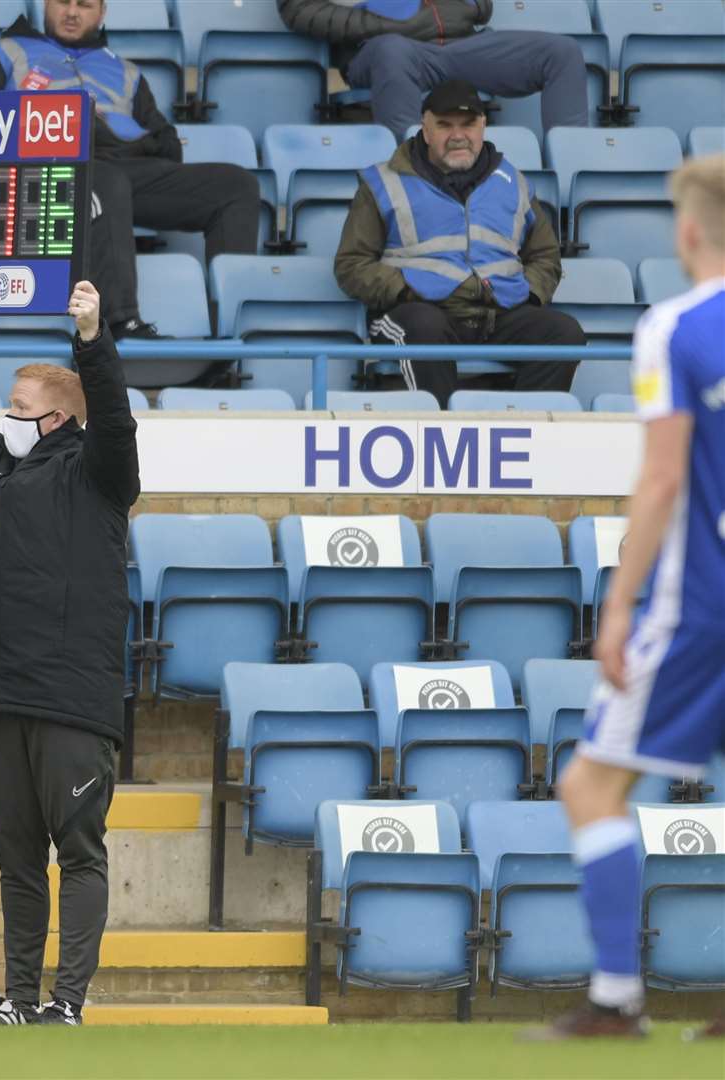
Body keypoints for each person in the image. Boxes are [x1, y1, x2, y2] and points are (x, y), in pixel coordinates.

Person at [537, 155, 725, 1041]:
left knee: (590, 783)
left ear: (688, 233)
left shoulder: (676, 327)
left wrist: (619, 605)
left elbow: (659, 483)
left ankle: (617, 997)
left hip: (699, 606)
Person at [0, 277, 139, 1025]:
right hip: (7, 695)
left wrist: (91, 341)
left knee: (78, 854)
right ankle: (17, 998)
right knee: (17, 861)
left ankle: (66, 1003)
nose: (4, 421)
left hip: (74, 702)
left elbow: (113, 418)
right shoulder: (8, 469)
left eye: (16, 411)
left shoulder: (103, 474)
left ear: (54, 419)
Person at [0, 0, 261, 339]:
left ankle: (235, 333)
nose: (73, 12)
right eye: (63, 2)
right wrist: (60, 124)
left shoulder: (125, 71)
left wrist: (118, 136)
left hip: (127, 165)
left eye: (85, 4)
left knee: (236, 186)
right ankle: (118, 328)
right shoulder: (1, 53)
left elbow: (167, 146)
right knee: (106, 180)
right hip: (51, 168)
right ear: (46, 5)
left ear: (102, 12)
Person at [335, 79, 582, 408]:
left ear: (483, 127)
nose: (457, 136)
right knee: (425, 329)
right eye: (444, 125)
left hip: (498, 312)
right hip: (417, 311)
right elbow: (351, 265)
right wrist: (407, 290)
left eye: (468, 124)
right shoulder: (382, 182)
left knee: (564, 334)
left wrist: (527, 293)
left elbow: (545, 256)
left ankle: (524, 431)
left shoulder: (514, 182)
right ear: (425, 129)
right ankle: (445, 434)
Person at [279, 0, 589, 139]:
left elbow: (482, 6)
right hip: (383, 47)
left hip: (462, 45)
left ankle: (568, 174)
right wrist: (384, 25)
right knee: (393, 50)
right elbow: (297, 8)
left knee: (561, 52)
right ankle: (412, 177)